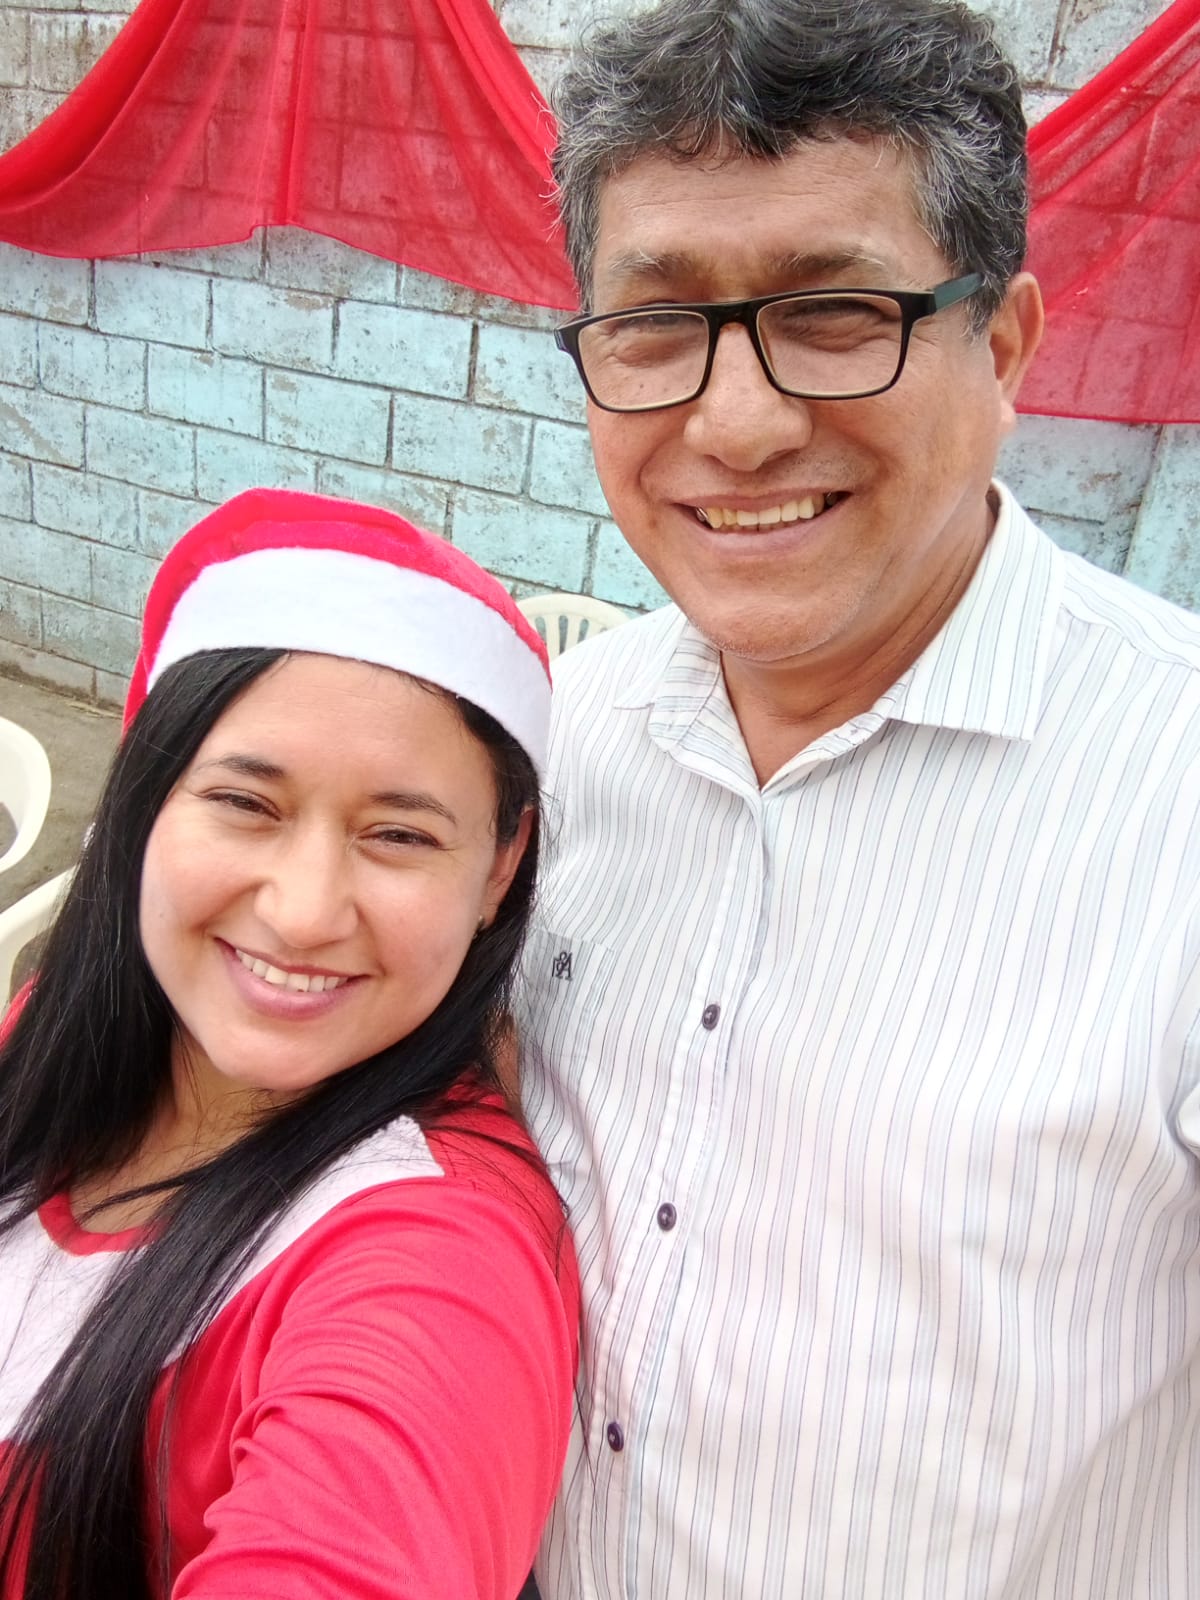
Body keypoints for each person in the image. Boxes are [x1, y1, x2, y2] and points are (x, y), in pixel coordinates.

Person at [516, 0, 1200, 1595]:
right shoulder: (552, 739)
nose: (737, 424)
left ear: (1005, 347)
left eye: (835, 313)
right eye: (655, 325)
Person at [0, 488, 579, 1600]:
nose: (306, 912)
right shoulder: (51, 1039)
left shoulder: (433, 1265)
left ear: (500, 867)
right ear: (144, 801)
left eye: (399, 834)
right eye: (246, 804)